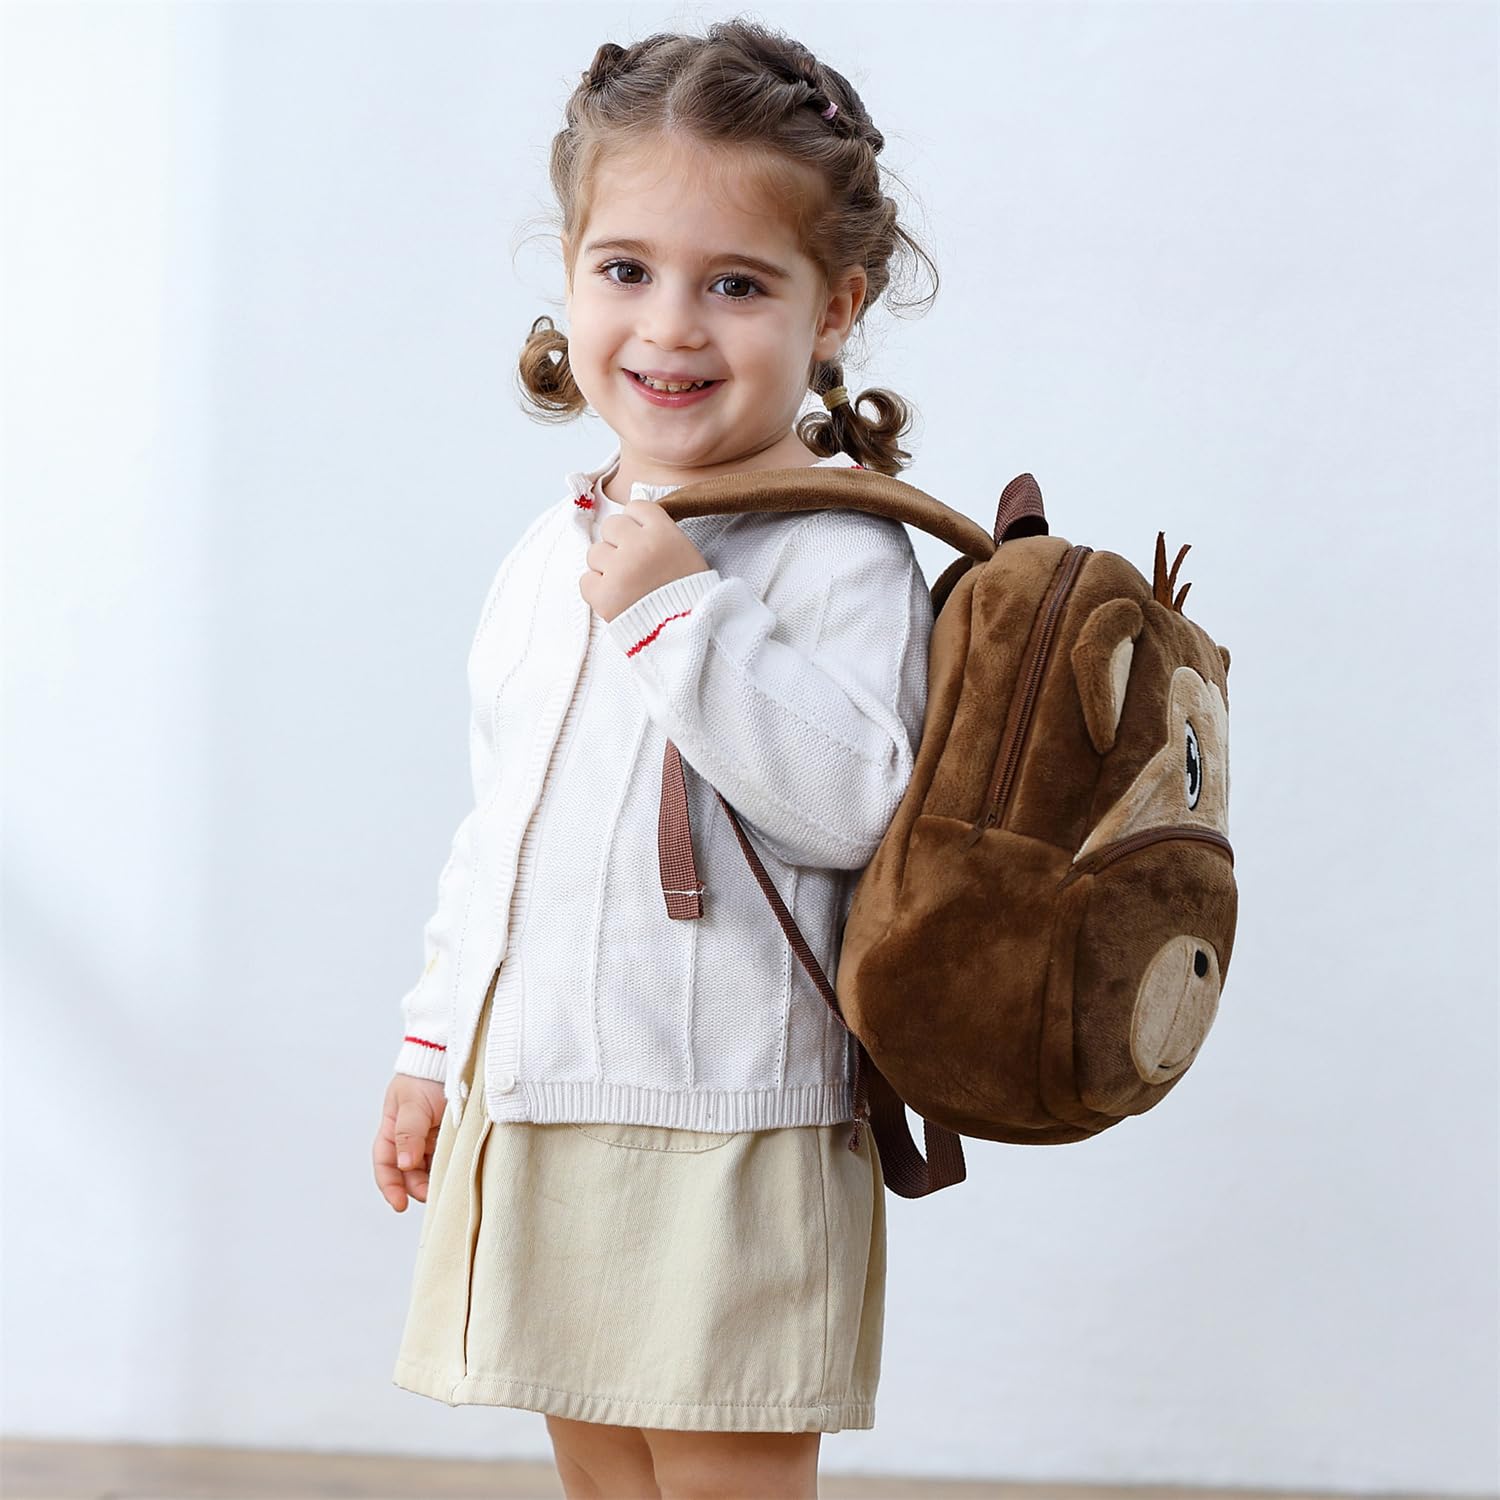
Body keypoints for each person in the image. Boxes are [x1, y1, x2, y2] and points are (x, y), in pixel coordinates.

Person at [371, 17, 941, 1498]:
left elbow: (856, 803)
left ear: (835, 307)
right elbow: (502, 833)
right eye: (625, 269)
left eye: (736, 283)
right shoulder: (544, 554)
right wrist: (436, 1048)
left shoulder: (837, 551)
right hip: (547, 1094)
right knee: (602, 1479)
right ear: (568, 276)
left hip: (733, 1119)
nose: (671, 326)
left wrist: (681, 612)